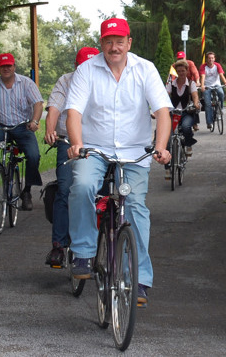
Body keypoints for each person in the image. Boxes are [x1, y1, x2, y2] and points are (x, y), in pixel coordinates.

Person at [65, 18, 172, 305]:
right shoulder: (87, 70)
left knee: (136, 206)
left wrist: (161, 147)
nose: (114, 47)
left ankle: (138, 278)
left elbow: (162, 111)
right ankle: (84, 252)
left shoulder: (145, 69)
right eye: (108, 41)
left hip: (134, 153)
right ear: (101, 43)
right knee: (83, 185)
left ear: (129, 43)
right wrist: (76, 144)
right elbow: (73, 112)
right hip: (95, 149)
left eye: (119, 41)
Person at [43, 47, 99, 267]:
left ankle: (105, 240)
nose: (85, 70)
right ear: (76, 66)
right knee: (65, 188)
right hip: (67, 140)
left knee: (104, 192)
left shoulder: (104, 80)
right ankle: (59, 245)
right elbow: (54, 108)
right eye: (81, 66)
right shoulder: (65, 81)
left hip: (98, 143)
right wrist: (50, 129)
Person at [0, 53, 44, 211]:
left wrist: (34, 121)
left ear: (14, 67)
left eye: (9, 66)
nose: (6, 69)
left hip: (22, 126)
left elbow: (38, 104)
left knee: (33, 155)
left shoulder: (26, 83)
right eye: (2, 66)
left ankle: (26, 191)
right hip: (1, 126)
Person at [165, 59, 201, 167]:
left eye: (183, 71)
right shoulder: (171, 84)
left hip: (186, 111)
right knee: (167, 137)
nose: (181, 73)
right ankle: (167, 167)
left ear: (186, 71)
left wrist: (195, 103)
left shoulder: (191, 83)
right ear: (176, 72)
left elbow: (195, 95)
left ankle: (188, 143)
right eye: (179, 71)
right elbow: (165, 96)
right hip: (173, 112)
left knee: (186, 126)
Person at [199, 51, 226, 130]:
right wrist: (202, 85)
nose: (211, 60)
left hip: (216, 84)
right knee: (208, 104)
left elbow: (221, 75)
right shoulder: (203, 67)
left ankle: (220, 109)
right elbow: (202, 76)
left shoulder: (217, 65)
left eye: (212, 58)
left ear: (214, 59)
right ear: (207, 59)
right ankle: (209, 123)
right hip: (207, 86)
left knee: (221, 93)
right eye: (209, 58)